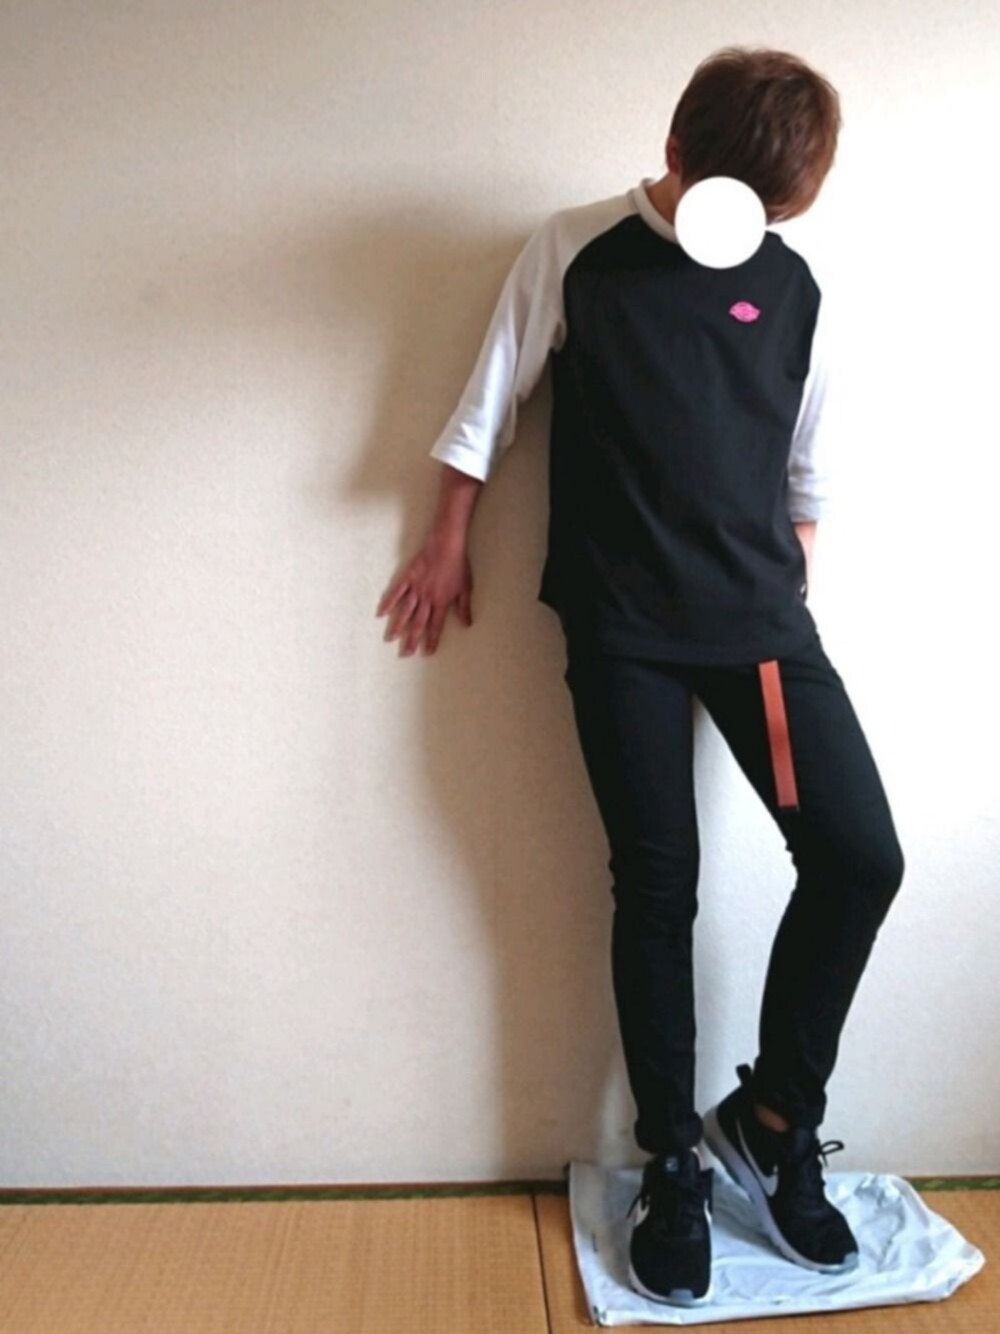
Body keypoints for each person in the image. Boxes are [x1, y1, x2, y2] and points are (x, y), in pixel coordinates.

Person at [376, 44, 905, 1308]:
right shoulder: (575, 248)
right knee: (658, 881)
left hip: (757, 630)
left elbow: (809, 467)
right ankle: (671, 1156)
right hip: (621, 629)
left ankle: (771, 1121)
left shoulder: (794, 283)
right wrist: (446, 537)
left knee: (857, 856)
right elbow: (488, 403)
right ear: (674, 153)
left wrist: (781, 587)